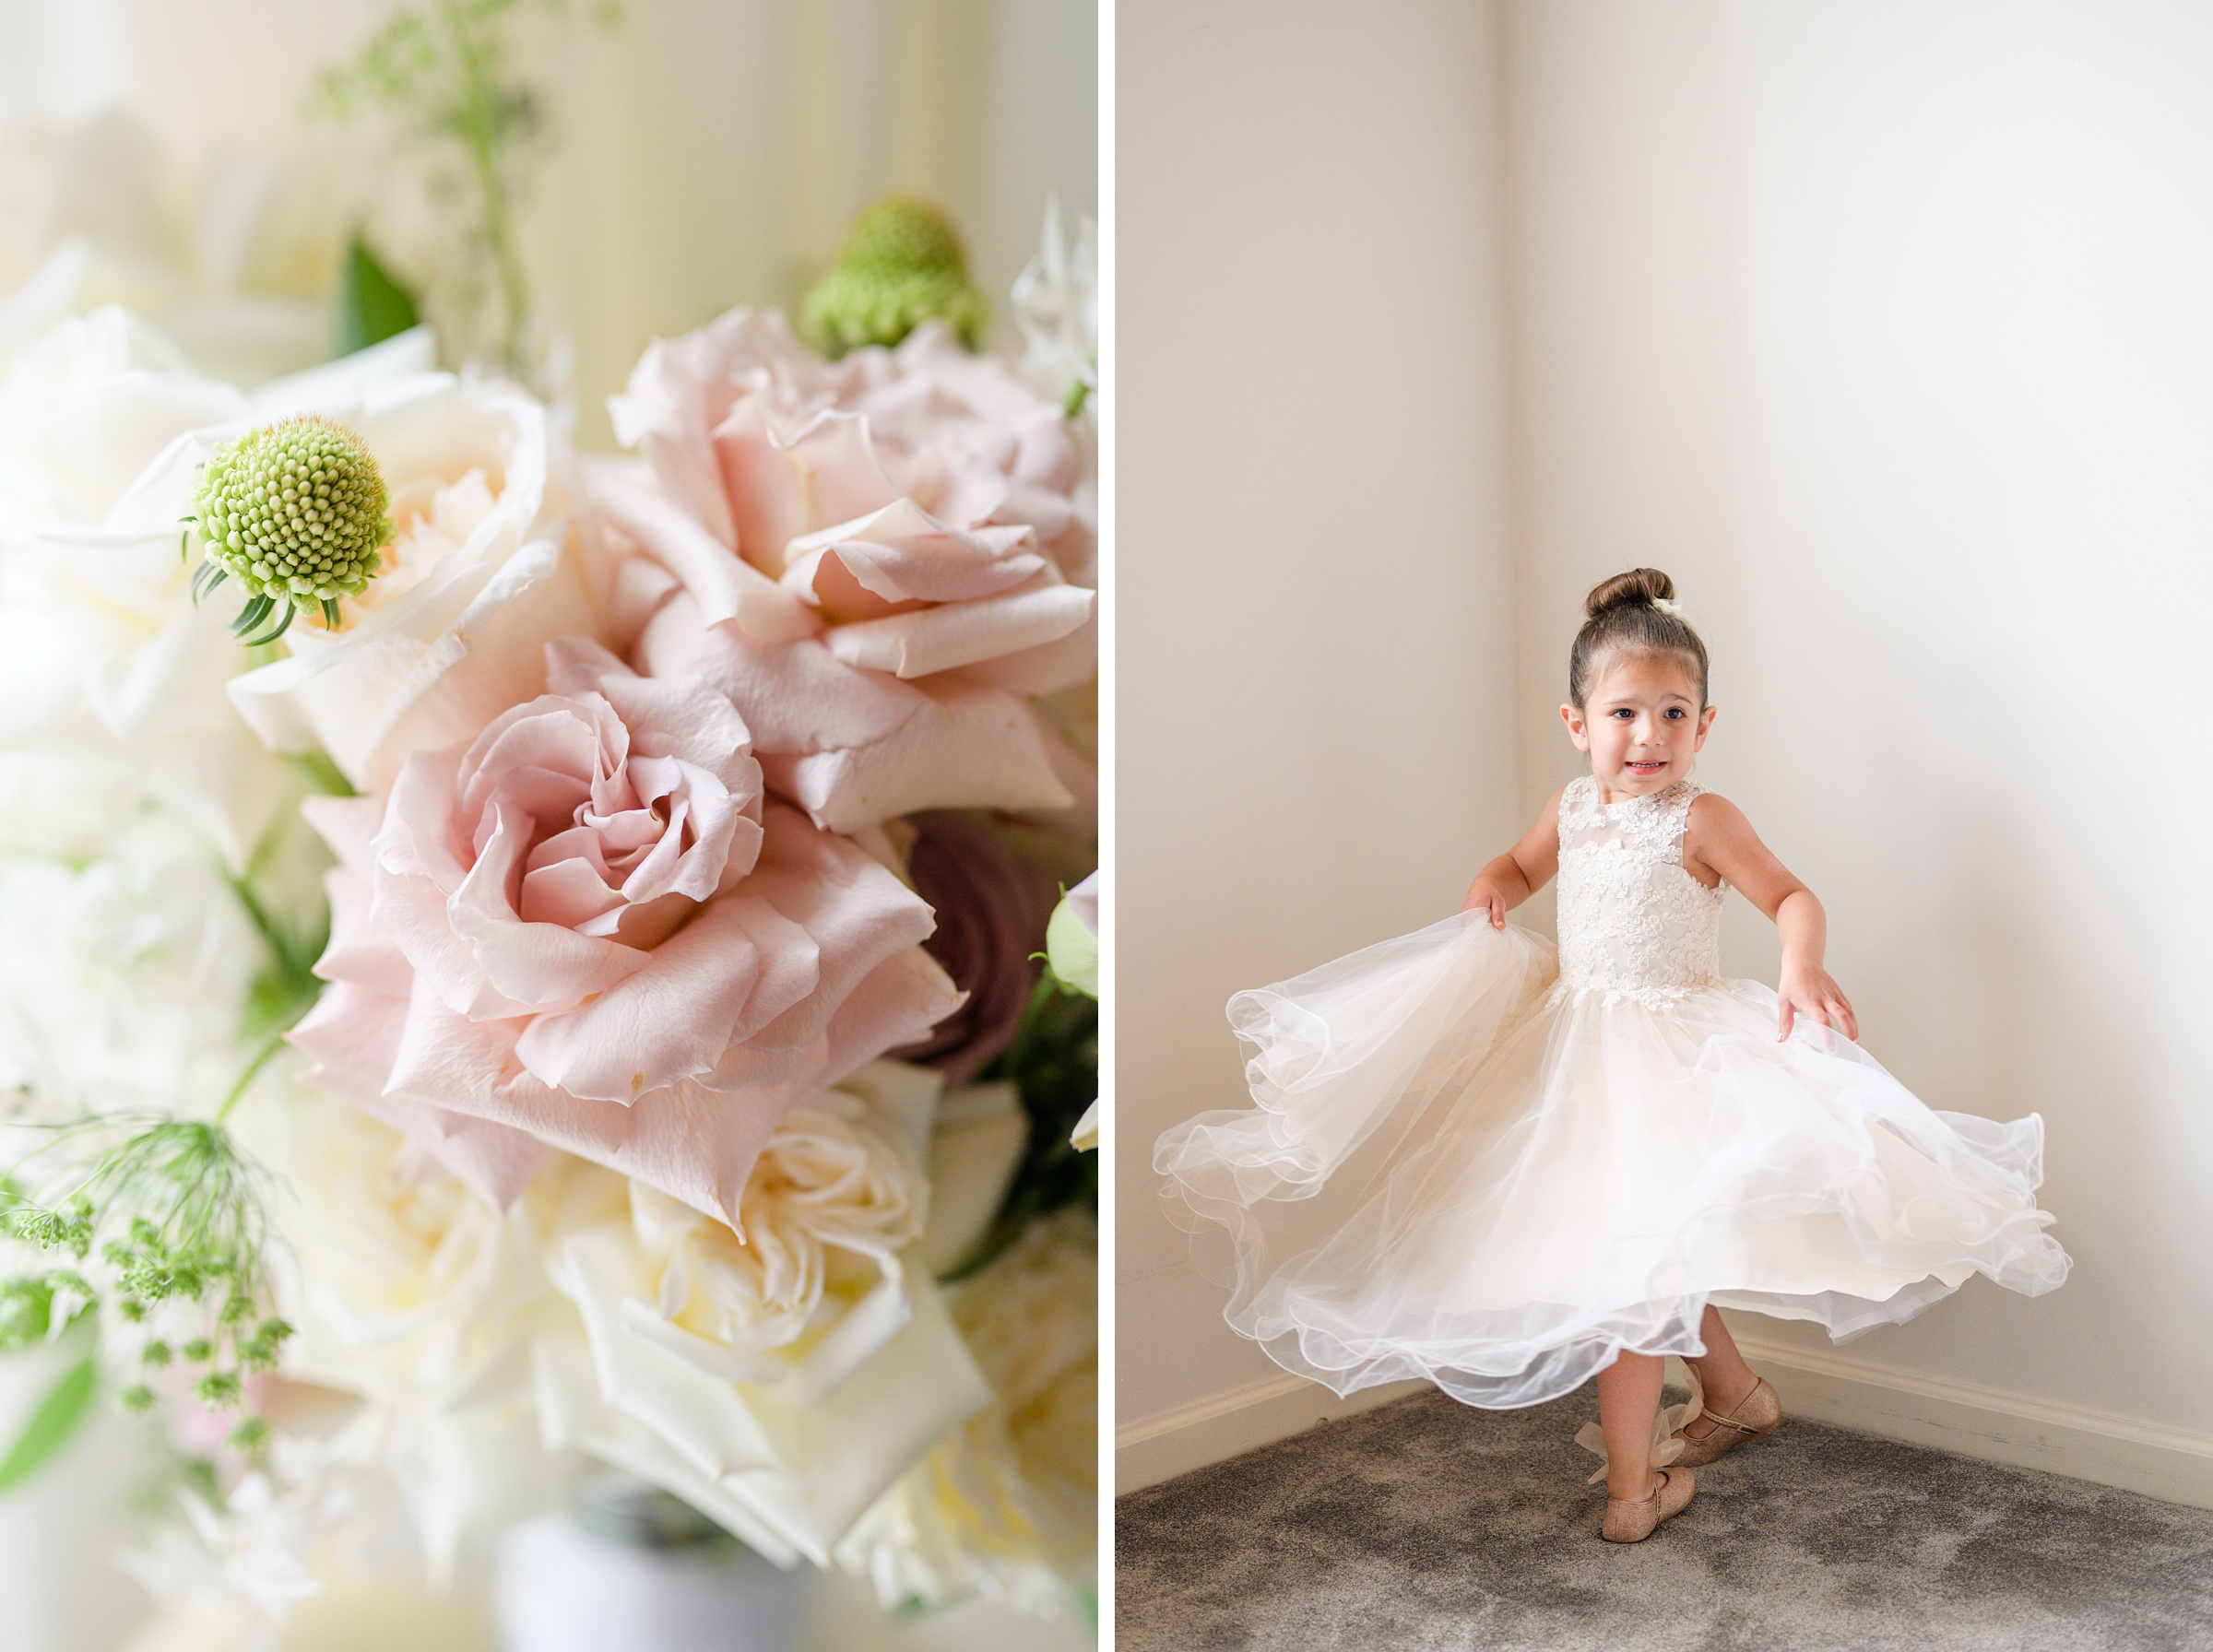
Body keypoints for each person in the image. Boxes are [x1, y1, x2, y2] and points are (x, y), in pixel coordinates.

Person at [1154, 569, 2069, 1543]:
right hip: (1574, 1054)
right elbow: (1516, 864)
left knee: (1631, 1267)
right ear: (1577, 721)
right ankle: (1733, 1391)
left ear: (1705, 726)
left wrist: (1802, 966)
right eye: (1625, 711)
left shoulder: (1703, 817)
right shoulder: (1573, 808)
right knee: (1643, 1245)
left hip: (1678, 1055)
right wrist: (1487, 892)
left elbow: (1793, 896)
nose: (1649, 735)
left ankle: (1633, 1489)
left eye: (1673, 713)